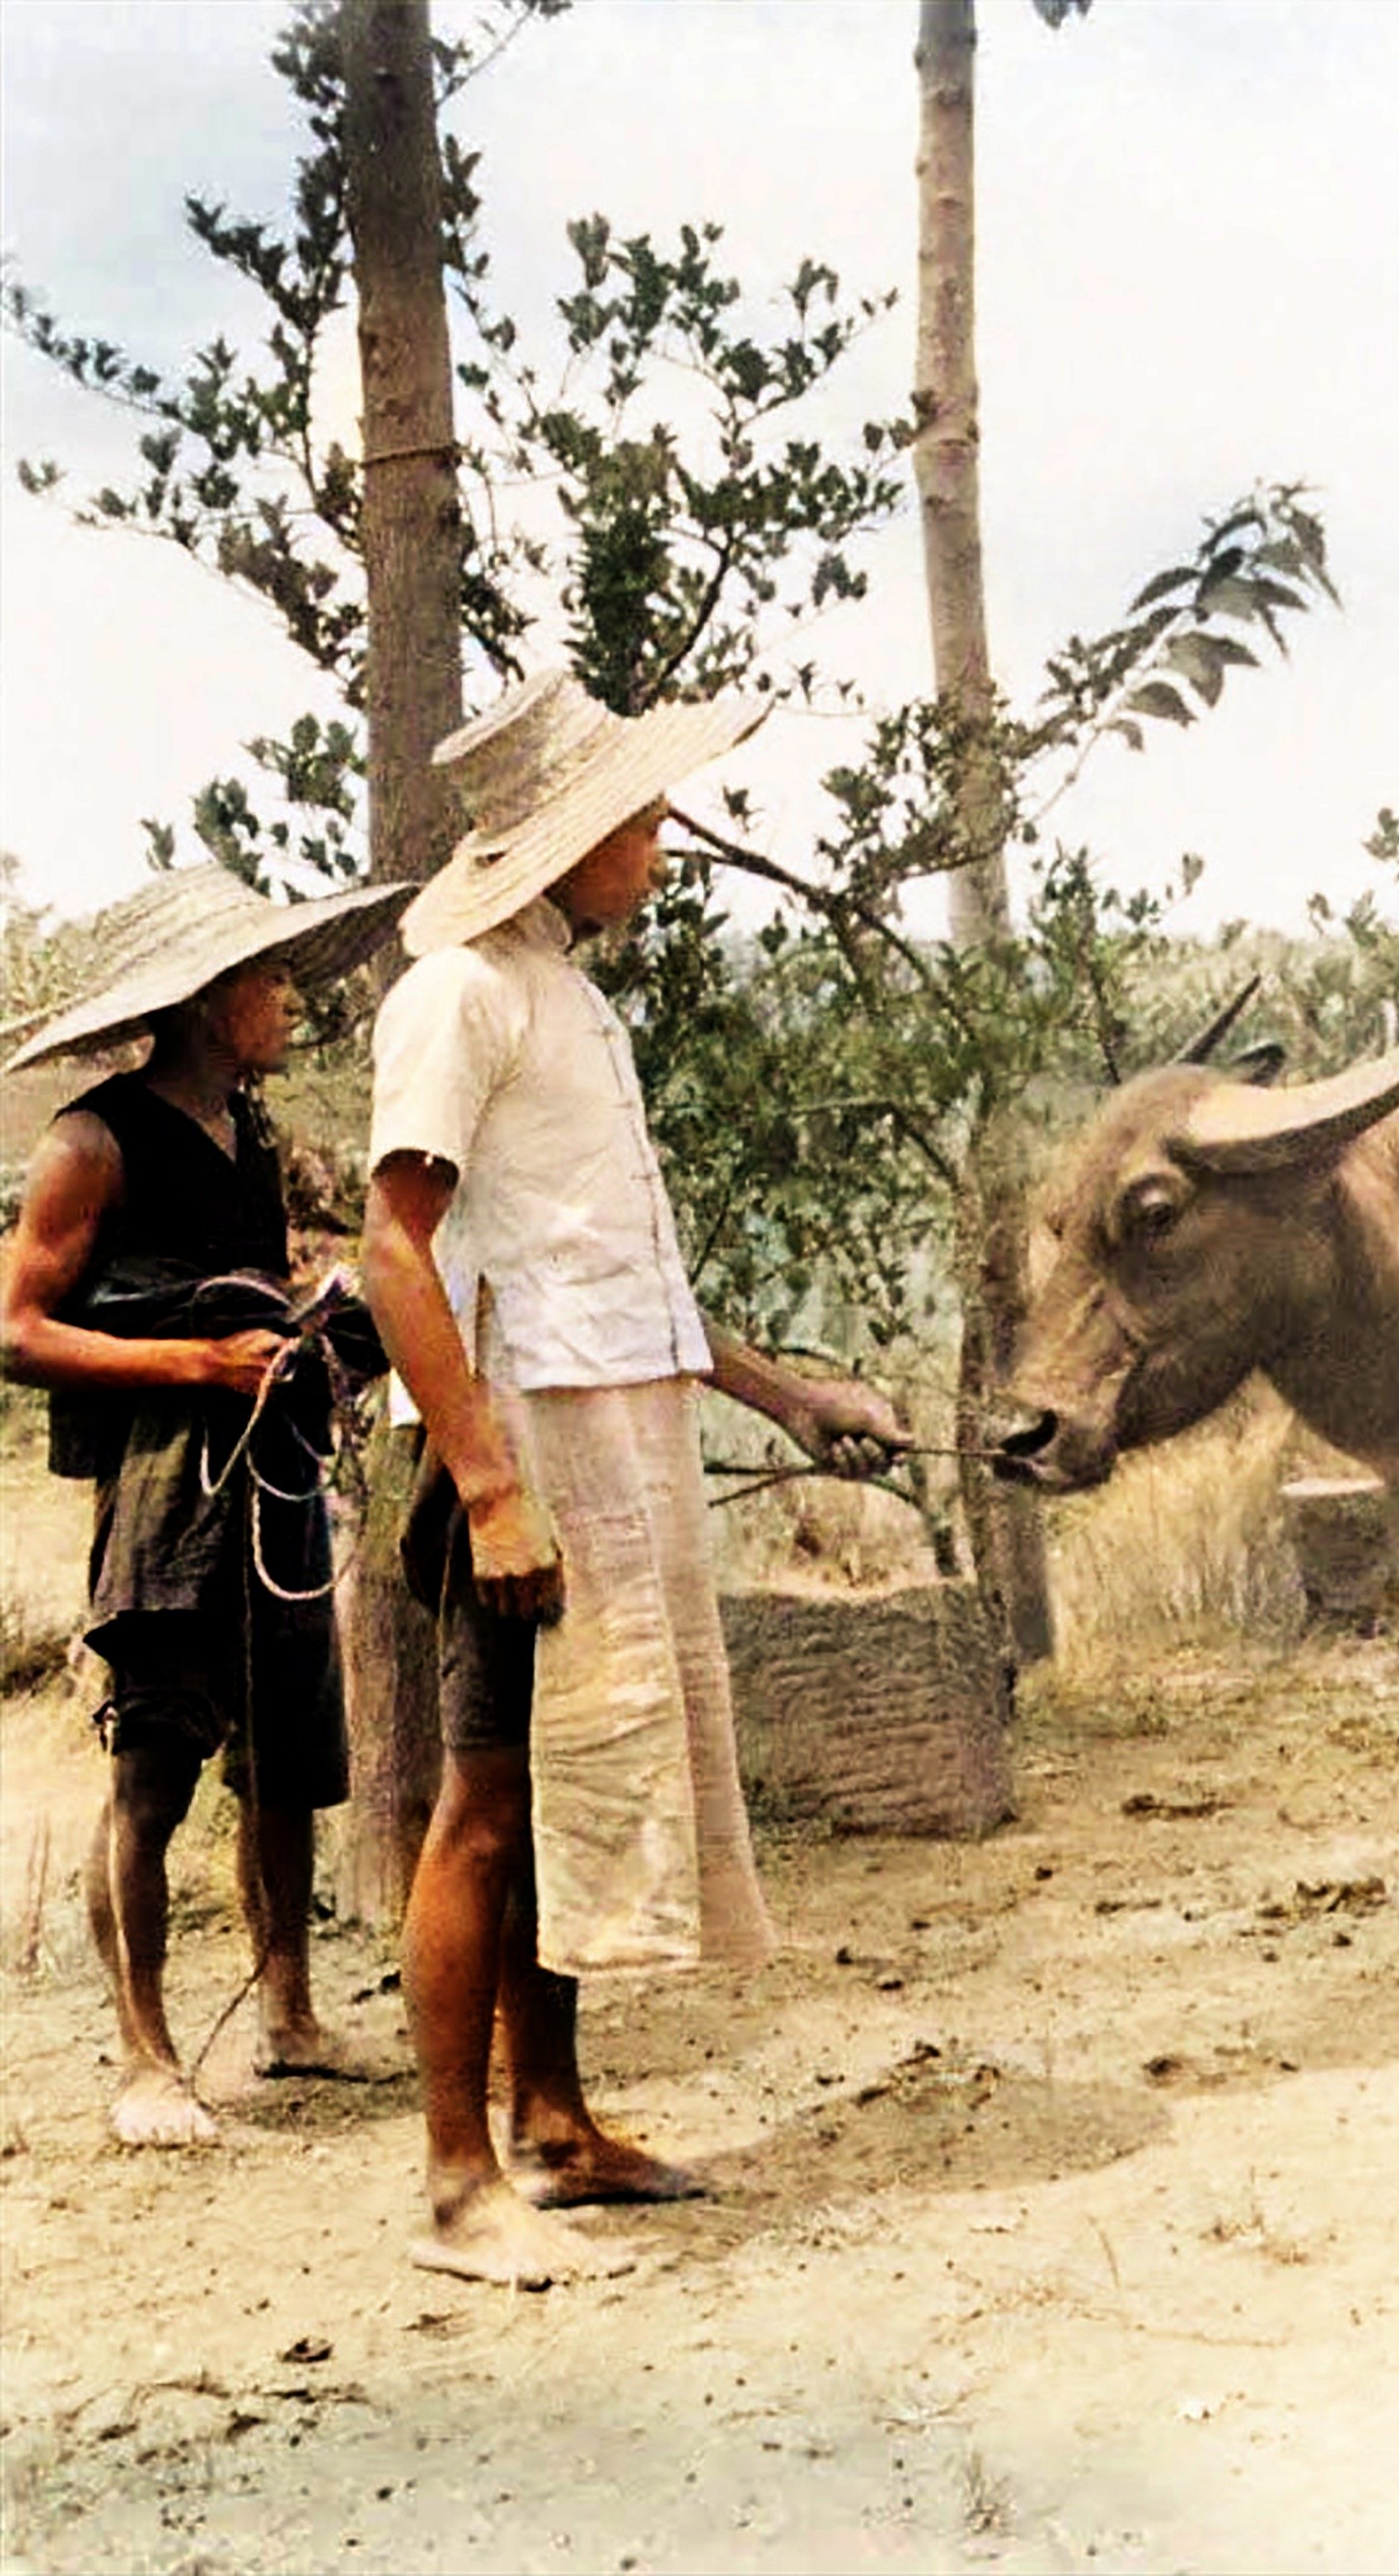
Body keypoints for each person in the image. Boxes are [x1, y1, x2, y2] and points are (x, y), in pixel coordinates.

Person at [361, 671, 908, 2287]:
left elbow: (621, 1283)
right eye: (644, 817)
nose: (662, 844)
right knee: (482, 1805)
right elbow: (393, 1253)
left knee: (562, 1798)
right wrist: (487, 1487)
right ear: (578, 836)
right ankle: (459, 2186)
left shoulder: (571, 997)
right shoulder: (459, 992)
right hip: (515, 1451)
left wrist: (789, 1392)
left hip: (607, 1443)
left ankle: (557, 2120)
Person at [2, 869, 415, 2146]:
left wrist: (317, 1344)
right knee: (152, 1762)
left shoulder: (256, 1135)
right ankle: (144, 2058)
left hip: (271, 1475)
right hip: (164, 1488)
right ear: (205, 998)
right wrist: (193, 1362)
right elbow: (16, 1330)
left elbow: (256, 1293)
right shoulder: (91, 1140)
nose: (291, 997)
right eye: (270, 977)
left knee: (282, 1758)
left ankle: (286, 2010)